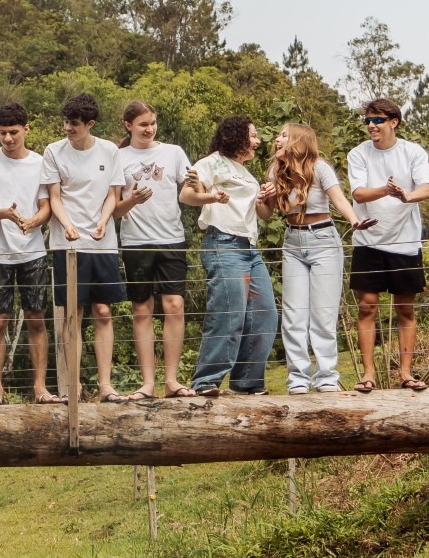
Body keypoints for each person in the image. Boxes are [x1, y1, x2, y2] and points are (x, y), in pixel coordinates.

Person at [264, 123, 371, 395]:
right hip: (293, 242)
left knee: (323, 316)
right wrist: (261, 198)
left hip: (323, 240)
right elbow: (267, 213)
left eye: (284, 135)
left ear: (299, 141)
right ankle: (298, 379)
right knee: (294, 315)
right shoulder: (276, 171)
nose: (277, 139)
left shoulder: (319, 167)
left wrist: (355, 220)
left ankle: (326, 378)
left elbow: (338, 199)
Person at [41, 94, 132, 402]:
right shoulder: (53, 151)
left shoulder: (109, 150)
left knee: (104, 311)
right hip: (66, 243)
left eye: (75, 124)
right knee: (72, 314)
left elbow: (113, 194)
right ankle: (73, 386)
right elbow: (54, 197)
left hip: (101, 243)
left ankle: (106, 386)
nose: (68, 128)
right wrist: (67, 224)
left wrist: (105, 221)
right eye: (66, 122)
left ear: (90, 124)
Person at [347, 98, 429, 392]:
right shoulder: (358, 154)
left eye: (377, 120)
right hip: (368, 241)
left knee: (405, 309)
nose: (371, 126)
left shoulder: (412, 151)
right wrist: (385, 190)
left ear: (393, 122)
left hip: (405, 242)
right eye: (368, 121)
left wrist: (405, 196)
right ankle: (368, 374)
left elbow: (426, 188)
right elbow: (359, 194)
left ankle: (406, 374)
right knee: (367, 307)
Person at [187, 116, 276, 397]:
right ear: (237, 137)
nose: (257, 140)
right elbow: (187, 195)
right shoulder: (210, 163)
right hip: (222, 244)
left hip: (249, 249)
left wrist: (266, 197)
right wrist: (212, 198)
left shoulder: (247, 173)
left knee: (264, 314)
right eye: (253, 135)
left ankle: (247, 383)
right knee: (228, 313)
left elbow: (264, 214)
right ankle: (205, 381)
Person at [114, 101, 196, 398]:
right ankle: (148, 383)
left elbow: (190, 190)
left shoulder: (173, 152)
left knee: (174, 306)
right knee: (142, 310)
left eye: (152, 123)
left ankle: (172, 381)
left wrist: (202, 185)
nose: (149, 129)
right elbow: (113, 211)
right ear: (128, 126)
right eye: (142, 124)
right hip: (136, 242)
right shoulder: (118, 156)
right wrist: (132, 201)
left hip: (172, 239)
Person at [0, 103, 51, 407]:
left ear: (26, 130)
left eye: (13, 132)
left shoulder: (40, 163)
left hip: (33, 253)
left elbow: (46, 206)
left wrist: (35, 220)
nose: (7, 138)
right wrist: (5, 213)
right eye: (3, 132)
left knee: (36, 319)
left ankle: (40, 387)